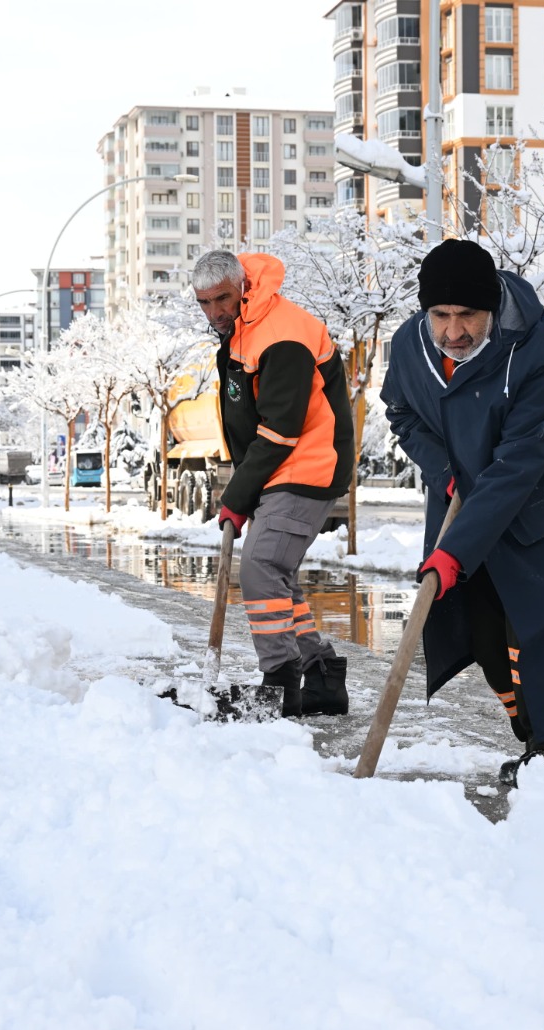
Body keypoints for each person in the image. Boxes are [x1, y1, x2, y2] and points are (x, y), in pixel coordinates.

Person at [380, 240, 544, 782]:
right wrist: (444, 468)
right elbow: (402, 413)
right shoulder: (412, 346)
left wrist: (452, 551)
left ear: (491, 308)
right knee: (478, 620)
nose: (454, 332)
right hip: (468, 484)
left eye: (468, 316)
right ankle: (531, 730)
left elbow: (519, 464)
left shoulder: (537, 351)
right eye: (441, 315)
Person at [191, 249, 354, 716]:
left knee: (260, 567)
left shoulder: (281, 333)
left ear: (243, 286)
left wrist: (237, 495)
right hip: (285, 469)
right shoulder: (246, 328)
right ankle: (321, 679)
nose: (215, 311)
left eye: (222, 298)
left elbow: (282, 428)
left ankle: (281, 682)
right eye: (204, 303)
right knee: (278, 576)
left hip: (308, 464)